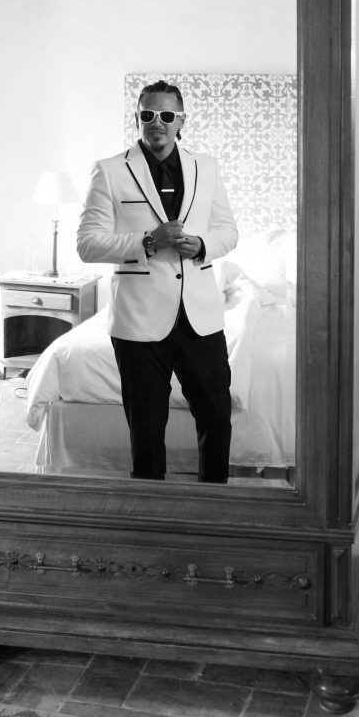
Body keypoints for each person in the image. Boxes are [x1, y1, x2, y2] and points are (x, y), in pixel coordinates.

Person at [76, 79, 238, 483]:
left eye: (167, 115)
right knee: (146, 427)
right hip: (138, 319)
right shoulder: (109, 170)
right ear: (138, 118)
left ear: (181, 120)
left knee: (217, 415)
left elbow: (228, 231)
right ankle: (149, 508)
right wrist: (148, 241)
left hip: (200, 317)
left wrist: (202, 244)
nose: (157, 123)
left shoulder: (207, 167)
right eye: (148, 114)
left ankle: (214, 500)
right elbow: (87, 244)